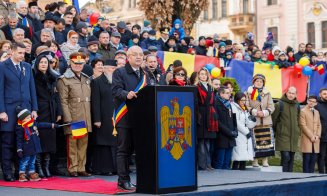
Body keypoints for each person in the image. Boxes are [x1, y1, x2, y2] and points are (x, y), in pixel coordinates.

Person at [112, 46, 149, 191]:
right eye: (135, 55)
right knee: (123, 150)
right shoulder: (119, 72)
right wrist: (126, 94)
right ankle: (123, 180)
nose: (139, 57)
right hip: (125, 116)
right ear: (128, 56)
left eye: (141, 55)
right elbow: (115, 90)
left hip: (140, 118)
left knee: (137, 151)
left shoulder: (144, 73)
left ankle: (142, 180)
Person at [0, 43, 38, 182]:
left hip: (26, 110)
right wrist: (2, 111)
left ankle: (20, 171)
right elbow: (0, 90)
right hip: (9, 111)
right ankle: (8, 172)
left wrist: (34, 108)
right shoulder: (3, 67)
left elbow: (32, 88)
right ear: (12, 51)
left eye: (24, 53)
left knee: (22, 142)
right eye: (20, 53)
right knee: (8, 143)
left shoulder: (27, 67)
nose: (23, 55)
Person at [57, 52, 92, 177]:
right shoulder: (64, 79)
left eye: (80, 63)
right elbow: (63, 101)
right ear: (70, 63)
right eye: (75, 63)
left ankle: (81, 168)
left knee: (83, 144)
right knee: (73, 144)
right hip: (74, 117)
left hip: (85, 117)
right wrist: (68, 119)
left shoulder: (86, 78)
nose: (78, 65)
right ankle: (73, 168)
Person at [33, 55, 62, 178]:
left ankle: (46, 167)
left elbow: (57, 96)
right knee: (41, 139)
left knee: (50, 140)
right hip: (40, 110)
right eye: (41, 62)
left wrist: (59, 112)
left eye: (46, 62)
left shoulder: (53, 77)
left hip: (51, 110)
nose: (44, 64)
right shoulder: (33, 77)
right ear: (37, 64)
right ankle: (39, 167)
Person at [16, 108, 57, 182]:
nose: (30, 118)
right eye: (27, 118)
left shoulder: (33, 123)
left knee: (32, 161)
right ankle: (22, 174)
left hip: (34, 147)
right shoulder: (20, 128)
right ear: (22, 119)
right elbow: (18, 140)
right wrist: (19, 149)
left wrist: (52, 125)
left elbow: (42, 125)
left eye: (30, 117)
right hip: (26, 148)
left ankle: (32, 173)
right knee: (25, 161)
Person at [91, 62, 117, 175]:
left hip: (115, 117)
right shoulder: (97, 82)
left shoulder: (117, 82)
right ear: (105, 69)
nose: (114, 70)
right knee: (103, 143)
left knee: (114, 142)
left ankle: (115, 168)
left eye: (115, 68)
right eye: (112, 68)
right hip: (103, 117)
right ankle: (103, 169)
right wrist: (97, 119)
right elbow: (95, 102)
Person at [245, 74, 275, 167]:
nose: (259, 83)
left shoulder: (267, 93)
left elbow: (271, 106)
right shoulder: (248, 93)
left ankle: (265, 160)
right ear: (253, 82)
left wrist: (265, 112)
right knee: (255, 142)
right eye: (257, 81)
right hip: (254, 121)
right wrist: (254, 112)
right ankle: (255, 160)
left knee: (266, 142)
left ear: (263, 83)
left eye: (261, 81)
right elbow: (246, 104)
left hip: (265, 121)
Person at [272, 87, 301, 172]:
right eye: (290, 93)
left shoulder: (297, 105)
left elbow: (298, 119)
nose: (291, 95)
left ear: (296, 94)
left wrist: (298, 131)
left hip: (294, 136)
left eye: (293, 93)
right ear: (286, 93)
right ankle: (284, 176)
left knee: (291, 157)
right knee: (286, 156)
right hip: (283, 135)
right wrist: (279, 130)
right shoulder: (279, 104)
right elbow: (274, 120)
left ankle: (289, 177)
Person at [195, 67, 218, 170]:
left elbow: (213, 102)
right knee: (201, 142)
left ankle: (208, 163)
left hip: (210, 116)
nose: (203, 76)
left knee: (208, 142)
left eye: (205, 74)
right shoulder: (196, 87)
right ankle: (202, 164)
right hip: (201, 114)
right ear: (198, 75)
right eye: (201, 74)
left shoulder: (211, 87)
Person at [213, 86, 237, 169]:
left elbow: (233, 118)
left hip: (230, 137)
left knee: (227, 163)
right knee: (220, 162)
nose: (229, 95)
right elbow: (218, 122)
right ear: (221, 94)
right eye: (227, 93)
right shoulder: (216, 103)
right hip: (222, 137)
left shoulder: (229, 104)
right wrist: (228, 132)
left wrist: (235, 130)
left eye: (230, 93)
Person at [231, 92, 256, 170]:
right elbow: (236, 122)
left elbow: (248, 123)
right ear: (237, 100)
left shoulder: (244, 108)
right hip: (239, 134)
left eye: (245, 100)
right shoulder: (234, 107)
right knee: (237, 157)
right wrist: (246, 132)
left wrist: (253, 121)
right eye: (241, 100)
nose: (243, 102)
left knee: (244, 157)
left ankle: (243, 174)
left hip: (245, 135)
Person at [300, 95, 321, 173]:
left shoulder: (317, 112)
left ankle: (311, 176)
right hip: (307, 138)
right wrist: (311, 136)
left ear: (316, 103)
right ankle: (305, 177)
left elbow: (319, 125)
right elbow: (303, 125)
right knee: (307, 159)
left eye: (314, 102)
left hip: (316, 139)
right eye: (310, 101)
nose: (312, 103)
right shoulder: (303, 111)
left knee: (313, 159)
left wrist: (317, 136)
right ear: (307, 101)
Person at [316, 88, 327, 173]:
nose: (326, 95)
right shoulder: (316, 105)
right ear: (320, 94)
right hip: (322, 136)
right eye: (324, 94)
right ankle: (321, 175)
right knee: (321, 157)